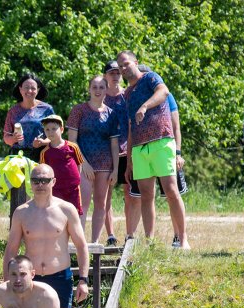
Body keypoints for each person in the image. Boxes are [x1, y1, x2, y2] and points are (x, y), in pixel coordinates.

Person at [3, 163, 89, 308]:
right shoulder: (21, 212)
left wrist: (83, 279)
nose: (40, 184)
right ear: (30, 182)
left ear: (53, 181)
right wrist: (7, 282)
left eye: (44, 180)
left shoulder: (66, 209)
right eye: (35, 180)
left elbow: (81, 247)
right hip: (29, 281)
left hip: (59, 278)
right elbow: (11, 249)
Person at [117, 51, 190, 249]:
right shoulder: (127, 94)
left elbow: (163, 92)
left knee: (171, 190)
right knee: (146, 196)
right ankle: (150, 243)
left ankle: (182, 240)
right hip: (140, 149)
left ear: (135, 62)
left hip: (161, 142)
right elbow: (132, 126)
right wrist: (130, 159)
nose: (124, 69)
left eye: (126, 64)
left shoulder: (150, 77)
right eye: (120, 66)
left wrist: (144, 106)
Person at [67, 75, 120, 243]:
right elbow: (71, 141)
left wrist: (116, 169)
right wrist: (84, 163)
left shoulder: (111, 114)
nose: (98, 90)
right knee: (82, 204)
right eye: (94, 87)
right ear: (89, 89)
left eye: (101, 87)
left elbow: (114, 144)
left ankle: (94, 242)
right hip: (83, 164)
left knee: (101, 204)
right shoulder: (79, 110)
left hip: (105, 164)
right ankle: (79, 241)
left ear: (106, 90)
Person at [103, 60, 137, 243]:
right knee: (106, 195)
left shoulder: (128, 94)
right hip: (106, 151)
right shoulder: (101, 96)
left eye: (118, 72)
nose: (115, 76)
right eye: (111, 73)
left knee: (129, 193)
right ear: (105, 76)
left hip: (127, 149)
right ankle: (110, 235)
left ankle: (130, 233)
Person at [38, 114, 91, 218]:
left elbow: (79, 163)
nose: (50, 132)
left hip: (73, 189)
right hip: (56, 189)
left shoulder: (72, 147)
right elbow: (44, 172)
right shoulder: (45, 152)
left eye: (54, 129)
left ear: (62, 129)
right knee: (57, 215)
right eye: (47, 129)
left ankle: (75, 233)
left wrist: (76, 180)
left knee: (73, 215)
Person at [3, 73, 55, 162]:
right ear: (20, 89)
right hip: (17, 157)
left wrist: (43, 142)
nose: (29, 91)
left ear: (38, 90)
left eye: (33, 88)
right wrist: (13, 139)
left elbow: (55, 135)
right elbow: (6, 137)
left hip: (42, 155)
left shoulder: (47, 109)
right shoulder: (13, 111)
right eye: (26, 87)